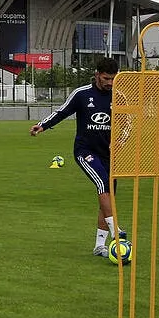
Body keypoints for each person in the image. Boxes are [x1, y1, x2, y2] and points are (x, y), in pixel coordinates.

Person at [29, 57, 125, 258]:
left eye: (113, 79)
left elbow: (127, 123)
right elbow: (62, 112)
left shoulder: (119, 96)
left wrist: (121, 140)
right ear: (97, 74)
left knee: (108, 200)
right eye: (106, 78)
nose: (110, 83)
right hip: (85, 151)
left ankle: (100, 246)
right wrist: (43, 125)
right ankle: (116, 232)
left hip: (110, 155)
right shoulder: (82, 94)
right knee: (102, 185)